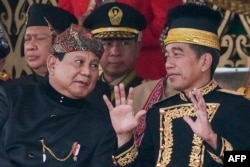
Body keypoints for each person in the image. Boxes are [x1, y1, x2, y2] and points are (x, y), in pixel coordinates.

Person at [103, 3, 250, 167]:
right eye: (167, 56)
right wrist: (124, 138)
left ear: (205, 61)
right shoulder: (156, 112)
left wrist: (214, 141)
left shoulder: (237, 107)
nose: (168, 64)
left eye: (177, 55)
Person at [0, 22, 116, 166]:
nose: (87, 72)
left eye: (93, 65)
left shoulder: (100, 125)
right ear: (52, 64)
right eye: (79, 62)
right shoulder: (11, 98)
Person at [58, 0, 183, 80]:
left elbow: (168, 22)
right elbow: (63, 23)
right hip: (86, 67)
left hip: (142, 67)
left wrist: (127, 41)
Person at [83, 2, 147, 102]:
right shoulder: (84, 90)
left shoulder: (150, 93)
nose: (115, 52)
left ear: (137, 48)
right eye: (107, 44)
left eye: (124, 43)